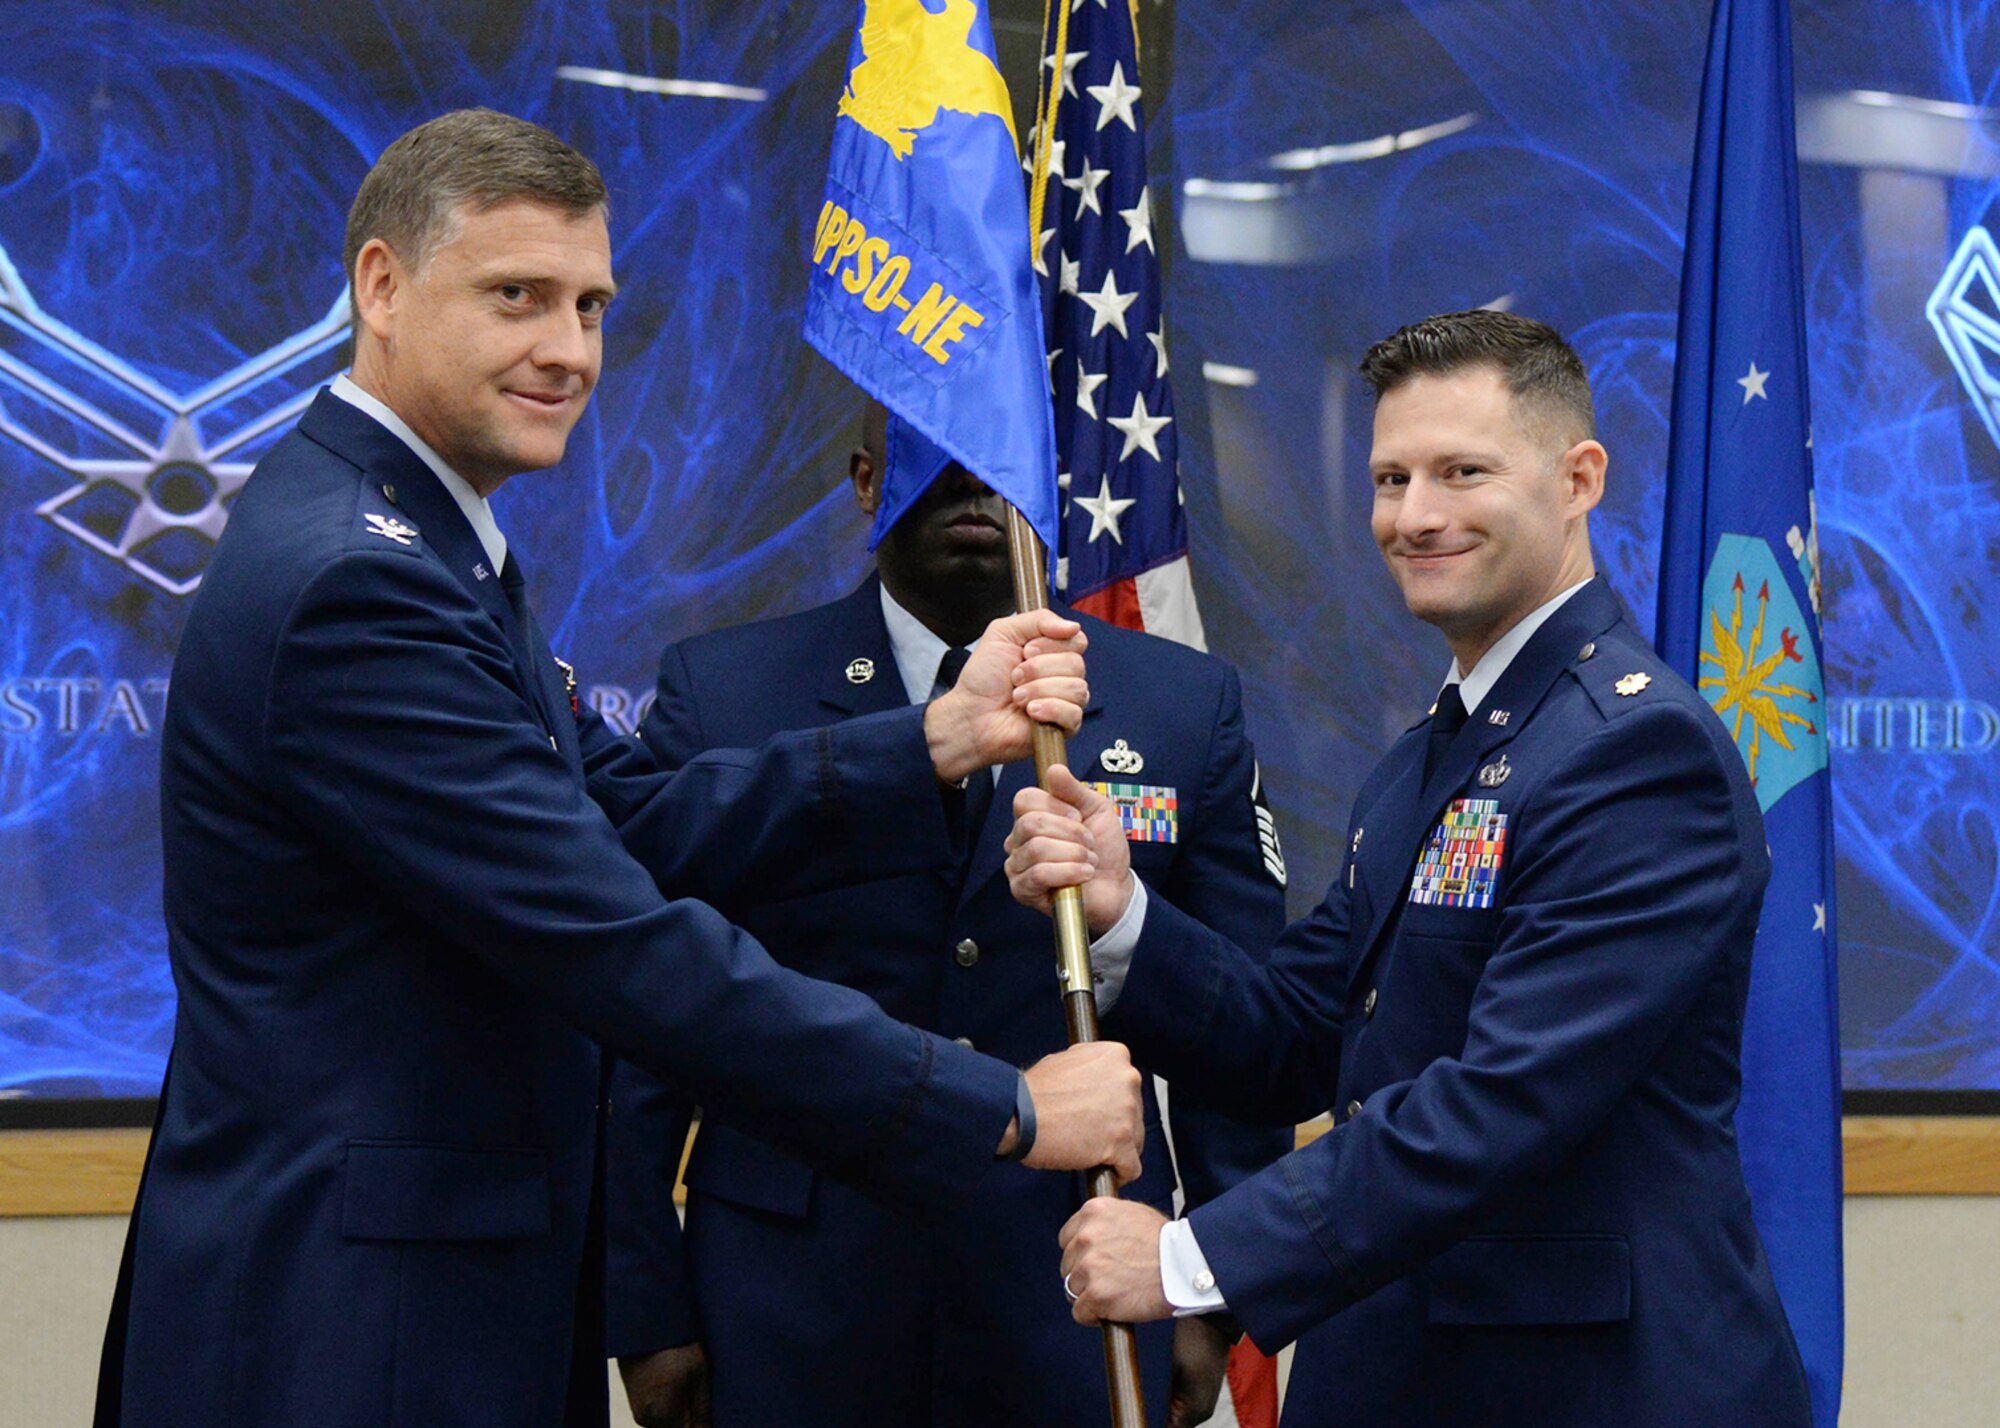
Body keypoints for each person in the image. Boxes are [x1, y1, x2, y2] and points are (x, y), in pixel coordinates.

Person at [95, 109, 1147, 1428]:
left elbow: (625, 809)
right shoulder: (360, 580)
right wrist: (997, 1106)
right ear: (381, 287)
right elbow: (618, 941)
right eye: (517, 297)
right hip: (358, 1330)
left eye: (590, 304)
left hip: (415, 1295)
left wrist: (934, 738)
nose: (569, 350)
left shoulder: (418, 536)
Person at [1007, 310, 1814, 1427]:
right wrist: (1121, 911)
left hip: (1582, 1391)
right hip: (1403, 1368)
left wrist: (1195, 1259)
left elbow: (1504, 1099)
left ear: (1578, 479)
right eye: (1390, 479)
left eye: (1461, 472)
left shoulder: (1633, 752)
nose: (1414, 516)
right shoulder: (1432, 754)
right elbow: (1300, 1037)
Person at [603, 401, 1292, 1428]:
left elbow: (1242, 1031)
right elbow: (643, 1014)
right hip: (789, 1295)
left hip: (1066, 1297)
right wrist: (645, 1305)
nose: (974, 483)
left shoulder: (1179, 703)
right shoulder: (728, 693)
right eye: (935, 455)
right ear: (865, 480)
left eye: (1002, 459)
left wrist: (1213, 1288)